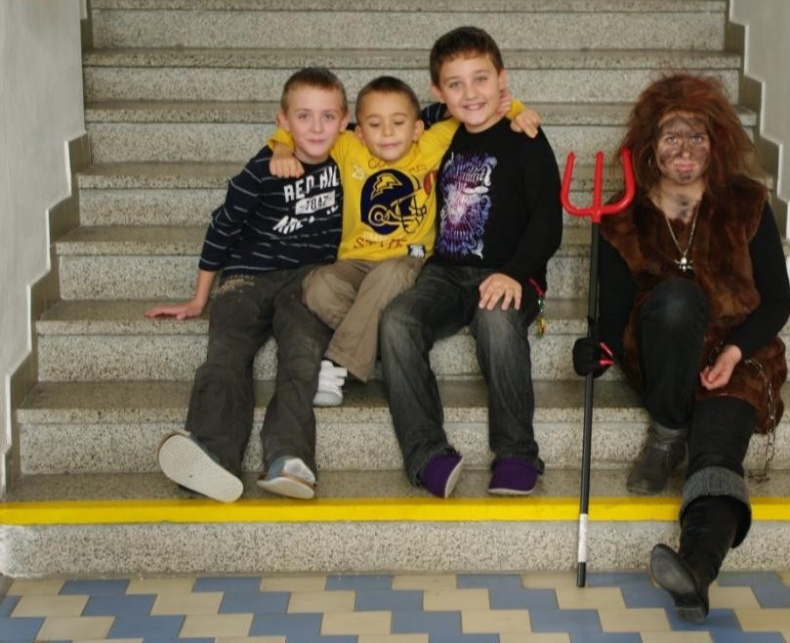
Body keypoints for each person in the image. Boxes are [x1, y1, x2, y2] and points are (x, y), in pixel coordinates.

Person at [571, 74, 790, 622]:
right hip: (661, 348)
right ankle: (667, 432)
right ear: (650, 147)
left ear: (716, 144)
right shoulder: (620, 218)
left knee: (718, 453)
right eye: (672, 137)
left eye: (697, 136)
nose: (685, 149)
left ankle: (695, 570)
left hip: (738, 356)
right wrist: (596, 348)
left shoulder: (746, 204)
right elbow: (615, 312)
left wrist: (734, 353)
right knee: (674, 299)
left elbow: (777, 303)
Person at [266, 76, 538, 405]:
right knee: (317, 285)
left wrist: (518, 111)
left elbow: (479, 110)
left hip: (409, 261)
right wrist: (282, 148)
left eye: (398, 123)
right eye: (375, 125)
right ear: (358, 132)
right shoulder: (348, 146)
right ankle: (381, 341)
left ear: (417, 128)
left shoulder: (430, 145)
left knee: (390, 274)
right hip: (355, 262)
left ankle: (338, 363)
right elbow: (305, 131)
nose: (387, 133)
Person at [146, 67, 349, 502]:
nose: (317, 127)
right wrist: (199, 297)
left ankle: (289, 459)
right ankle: (212, 454)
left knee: (301, 358)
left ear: (345, 121)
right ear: (283, 121)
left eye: (328, 116)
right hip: (246, 276)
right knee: (226, 353)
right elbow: (222, 228)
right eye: (304, 116)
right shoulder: (263, 168)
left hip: (308, 281)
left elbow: (408, 118)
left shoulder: (351, 158)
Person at [378, 26, 562, 498]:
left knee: (496, 319)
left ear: (502, 79)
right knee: (397, 320)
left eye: (481, 79)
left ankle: (517, 453)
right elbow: (380, 127)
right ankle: (427, 453)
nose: (471, 93)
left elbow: (548, 223)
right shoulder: (441, 135)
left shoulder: (526, 138)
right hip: (446, 272)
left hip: (512, 272)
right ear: (438, 93)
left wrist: (514, 273)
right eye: (455, 84)